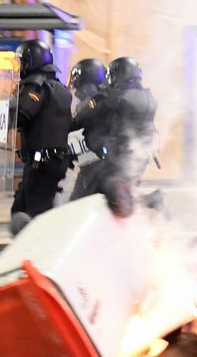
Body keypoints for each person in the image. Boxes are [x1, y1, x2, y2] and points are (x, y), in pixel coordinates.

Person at [71, 56, 158, 215]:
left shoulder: (116, 98)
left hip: (114, 160)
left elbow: (82, 117)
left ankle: (150, 202)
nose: (108, 80)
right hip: (135, 158)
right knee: (119, 196)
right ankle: (151, 202)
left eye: (111, 76)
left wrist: (98, 96)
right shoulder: (146, 97)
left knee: (89, 198)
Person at [9, 38, 71, 236]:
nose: (20, 67)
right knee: (22, 208)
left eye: (22, 62)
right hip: (53, 160)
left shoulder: (35, 86)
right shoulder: (60, 88)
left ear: (31, 62)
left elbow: (21, 116)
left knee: (33, 214)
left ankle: (37, 259)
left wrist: (9, 104)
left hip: (41, 163)